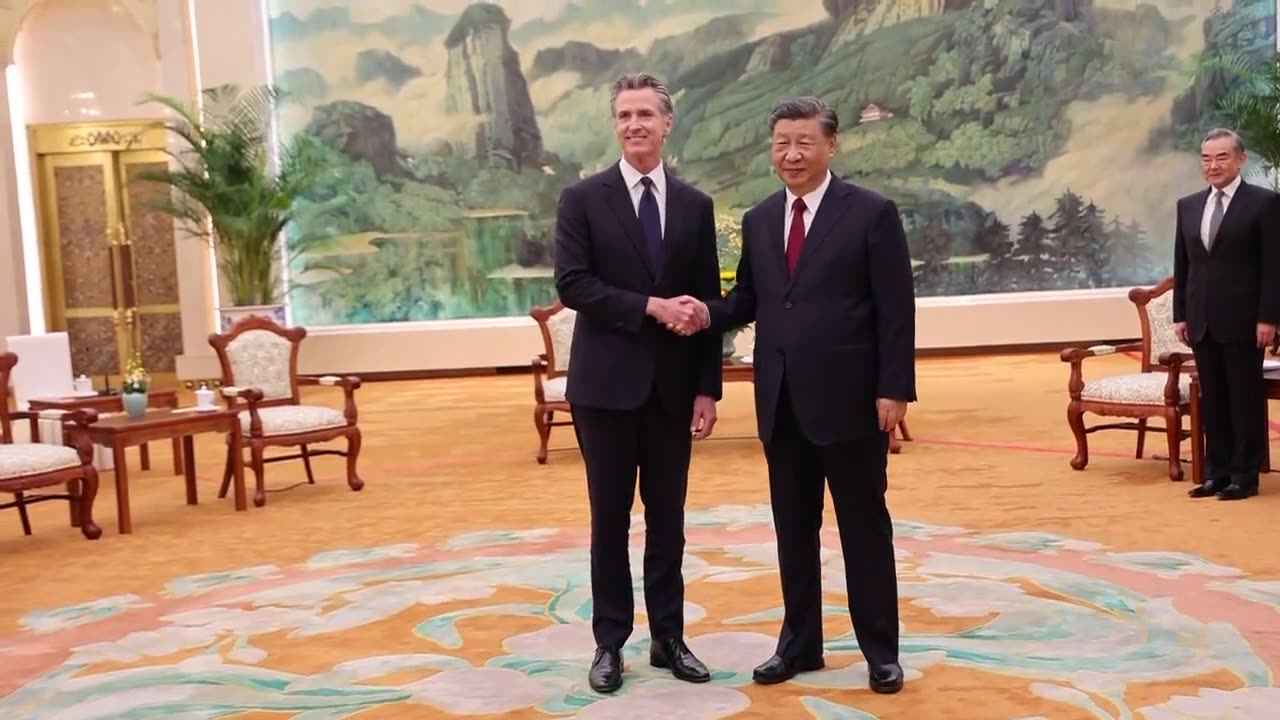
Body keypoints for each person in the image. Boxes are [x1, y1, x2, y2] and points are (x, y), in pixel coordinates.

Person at [676, 96, 914, 694]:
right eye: (782, 142)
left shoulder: (871, 213)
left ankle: (880, 651)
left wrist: (894, 388)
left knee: (864, 528)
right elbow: (751, 301)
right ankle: (800, 645)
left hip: (853, 402)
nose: (792, 153)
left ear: (832, 146)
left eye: (805, 142)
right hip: (780, 403)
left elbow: (895, 309)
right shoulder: (759, 219)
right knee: (793, 531)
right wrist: (704, 313)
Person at [552, 72, 723, 693]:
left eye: (645, 114)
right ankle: (609, 643)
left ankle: (669, 638)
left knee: (669, 520)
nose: (634, 125)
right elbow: (572, 285)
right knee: (609, 519)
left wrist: (708, 388)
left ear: (667, 123)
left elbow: (707, 303)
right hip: (604, 390)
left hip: (674, 392)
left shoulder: (696, 205)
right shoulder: (583, 199)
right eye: (624, 115)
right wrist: (650, 306)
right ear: (615, 124)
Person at [1174, 127, 1280, 501]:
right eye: (1206, 158)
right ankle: (1215, 473)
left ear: (1240, 159)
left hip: (1244, 320)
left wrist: (1268, 318)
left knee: (1244, 399)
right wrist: (1180, 315)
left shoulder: (1264, 203)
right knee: (1213, 400)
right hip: (1200, 320)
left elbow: (1273, 267)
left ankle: (1243, 476)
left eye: (1221, 157)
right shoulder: (1187, 206)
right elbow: (1183, 265)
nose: (1213, 165)